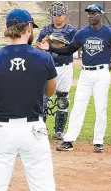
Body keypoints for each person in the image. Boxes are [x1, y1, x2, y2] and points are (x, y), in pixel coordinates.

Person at [0, 9, 59, 191]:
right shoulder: (43, 58)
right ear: (29, 28)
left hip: (1, 131)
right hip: (34, 129)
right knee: (44, 190)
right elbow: (50, 91)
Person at [38, 4, 111, 152]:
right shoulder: (82, 33)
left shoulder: (109, 33)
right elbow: (69, 50)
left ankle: (98, 141)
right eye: (88, 13)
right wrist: (50, 48)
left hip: (101, 73)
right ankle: (69, 140)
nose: (89, 16)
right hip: (85, 73)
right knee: (78, 106)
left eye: (93, 13)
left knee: (101, 107)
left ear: (100, 15)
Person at [36, 1, 78, 140]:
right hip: (49, 67)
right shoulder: (45, 30)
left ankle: (59, 130)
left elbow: (75, 47)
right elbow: (38, 47)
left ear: (65, 15)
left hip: (65, 66)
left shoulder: (71, 31)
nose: (57, 17)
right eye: (54, 14)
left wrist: (62, 44)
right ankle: (41, 128)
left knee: (63, 99)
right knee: (44, 99)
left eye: (60, 14)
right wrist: (42, 45)